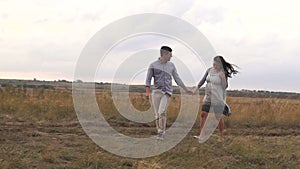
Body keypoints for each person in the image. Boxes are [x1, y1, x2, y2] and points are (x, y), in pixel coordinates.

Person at [145, 46, 193, 140]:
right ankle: (159, 130)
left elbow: (177, 78)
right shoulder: (153, 65)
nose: (171, 56)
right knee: (157, 114)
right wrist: (147, 92)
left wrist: (186, 89)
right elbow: (148, 79)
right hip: (156, 92)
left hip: (167, 92)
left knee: (161, 112)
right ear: (164, 54)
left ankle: (161, 133)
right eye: (170, 55)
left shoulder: (171, 66)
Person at [193, 56, 238, 142]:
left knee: (218, 117)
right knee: (203, 114)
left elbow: (225, 87)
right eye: (214, 64)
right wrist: (196, 89)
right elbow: (202, 81)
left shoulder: (222, 72)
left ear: (220, 65)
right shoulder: (209, 70)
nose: (214, 66)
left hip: (217, 97)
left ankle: (221, 136)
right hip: (208, 96)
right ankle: (201, 135)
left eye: (216, 65)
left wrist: (223, 78)